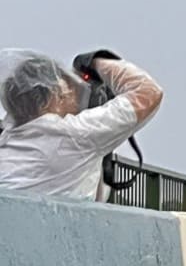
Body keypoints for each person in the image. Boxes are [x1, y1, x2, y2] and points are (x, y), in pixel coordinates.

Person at [0, 48, 163, 201]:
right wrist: (93, 62)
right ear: (49, 99)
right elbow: (148, 92)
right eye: (66, 92)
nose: (74, 97)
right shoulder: (75, 135)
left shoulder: (7, 138)